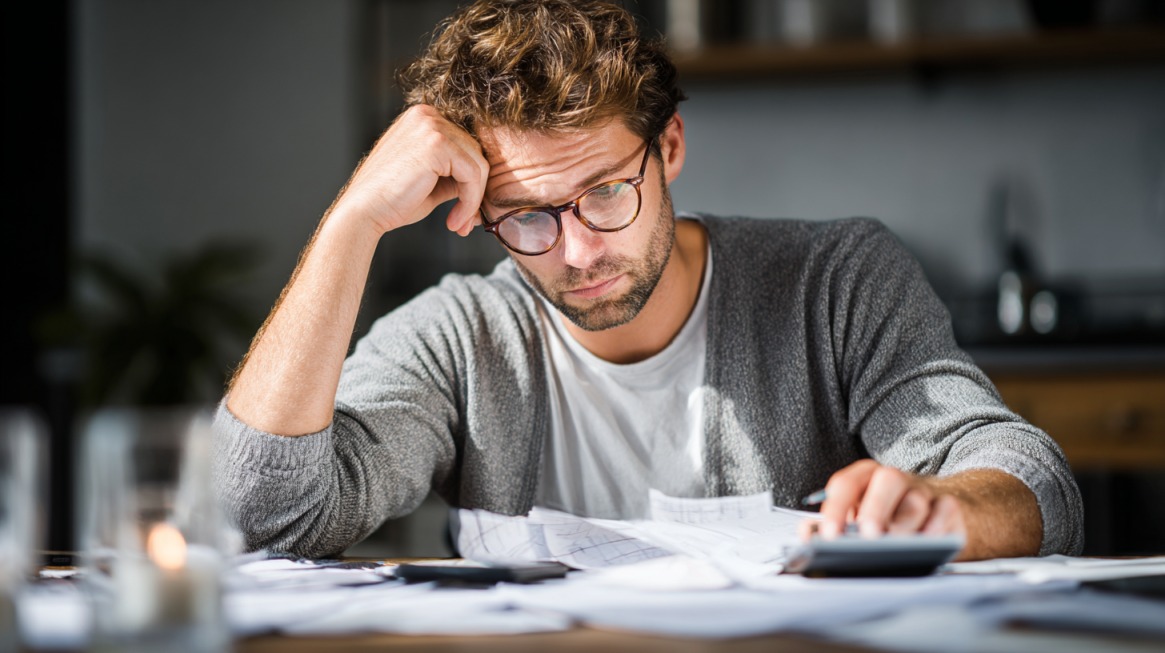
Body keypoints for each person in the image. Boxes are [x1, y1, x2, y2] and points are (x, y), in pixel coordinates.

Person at [215, 0, 1083, 560]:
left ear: (667, 149)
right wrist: (350, 221)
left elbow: (1026, 477)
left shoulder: (836, 281)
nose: (578, 252)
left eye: (604, 194)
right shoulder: (461, 337)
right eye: (526, 216)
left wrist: (943, 508)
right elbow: (263, 516)